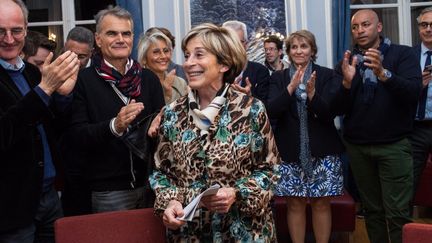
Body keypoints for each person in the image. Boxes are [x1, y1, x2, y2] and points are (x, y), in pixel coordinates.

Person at [149, 23, 280, 242]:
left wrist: (236, 193)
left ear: (224, 64)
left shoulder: (250, 109)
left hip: (245, 233)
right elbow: (162, 173)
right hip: (191, 233)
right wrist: (170, 203)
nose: (188, 63)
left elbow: (270, 171)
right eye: (187, 55)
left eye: (199, 55)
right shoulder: (172, 114)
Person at [67, 6, 165, 213]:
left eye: (126, 33)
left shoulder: (148, 79)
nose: (120, 39)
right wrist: (115, 125)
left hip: (151, 184)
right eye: (112, 33)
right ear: (98, 39)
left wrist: (161, 124)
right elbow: (77, 136)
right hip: (108, 190)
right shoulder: (82, 81)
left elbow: (163, 130)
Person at [336, 9, 422, 243]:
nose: (360, 30)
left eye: (366, 25)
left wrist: (384, 74)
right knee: (371, 211)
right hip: (358, 148)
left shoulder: (402, 55)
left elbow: (413, 92)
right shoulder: (347, 61)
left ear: (379, 27)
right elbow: (337, 108)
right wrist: (345, 82)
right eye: (355, 27)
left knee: (397, 214)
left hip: (393, 147)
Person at [0, 0, 80, 242]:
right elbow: (4, 133)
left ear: (26, 28)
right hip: (11, 205)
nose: (9, 39)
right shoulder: (40, 79)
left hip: (48, 196)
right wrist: (45, 89)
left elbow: (54, 127)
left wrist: (63, 96)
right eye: (0, 31)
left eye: (16, 30)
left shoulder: (32, 72)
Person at [266, 30, 344, 243]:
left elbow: (329, 113)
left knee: (321, 203)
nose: (299, 51)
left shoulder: (327, 75)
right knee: (294, 204)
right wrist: (291, 88)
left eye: (304, 46)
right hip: (290, 151)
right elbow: (270, 111)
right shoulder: (279, 78)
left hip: (322, 150)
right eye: (294, 47)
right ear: (289, 52)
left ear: (312, 50)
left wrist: (312, 95)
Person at [60, 27, 95, 216]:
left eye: (81, 57)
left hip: (95, 160)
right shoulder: (53, 73)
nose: (75, 61)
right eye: (70, 54)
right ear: (64, 48)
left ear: (91, 54)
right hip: (69, 160)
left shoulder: (98, 75)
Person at [411, 6, 432, 202]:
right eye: (424, 24)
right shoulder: (408, 56)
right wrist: (418, 86)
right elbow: (397, 91)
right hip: (415, 128)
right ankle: (405, 232)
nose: (428, 29)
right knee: (409, 183)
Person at [222, 20, 270, 102]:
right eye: (229, 42)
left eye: (237, 42)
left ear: (246, 45)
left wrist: (249, 97)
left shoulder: (260, 71)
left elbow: (266, 109)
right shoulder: (213, 72)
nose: (233, 47)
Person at [137, 31, 187, 104]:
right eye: (156, 52)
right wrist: (166, 95)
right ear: (144, 58)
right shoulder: (136, 86)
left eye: (166, 51)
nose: (163, 56)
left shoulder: (180, 83)